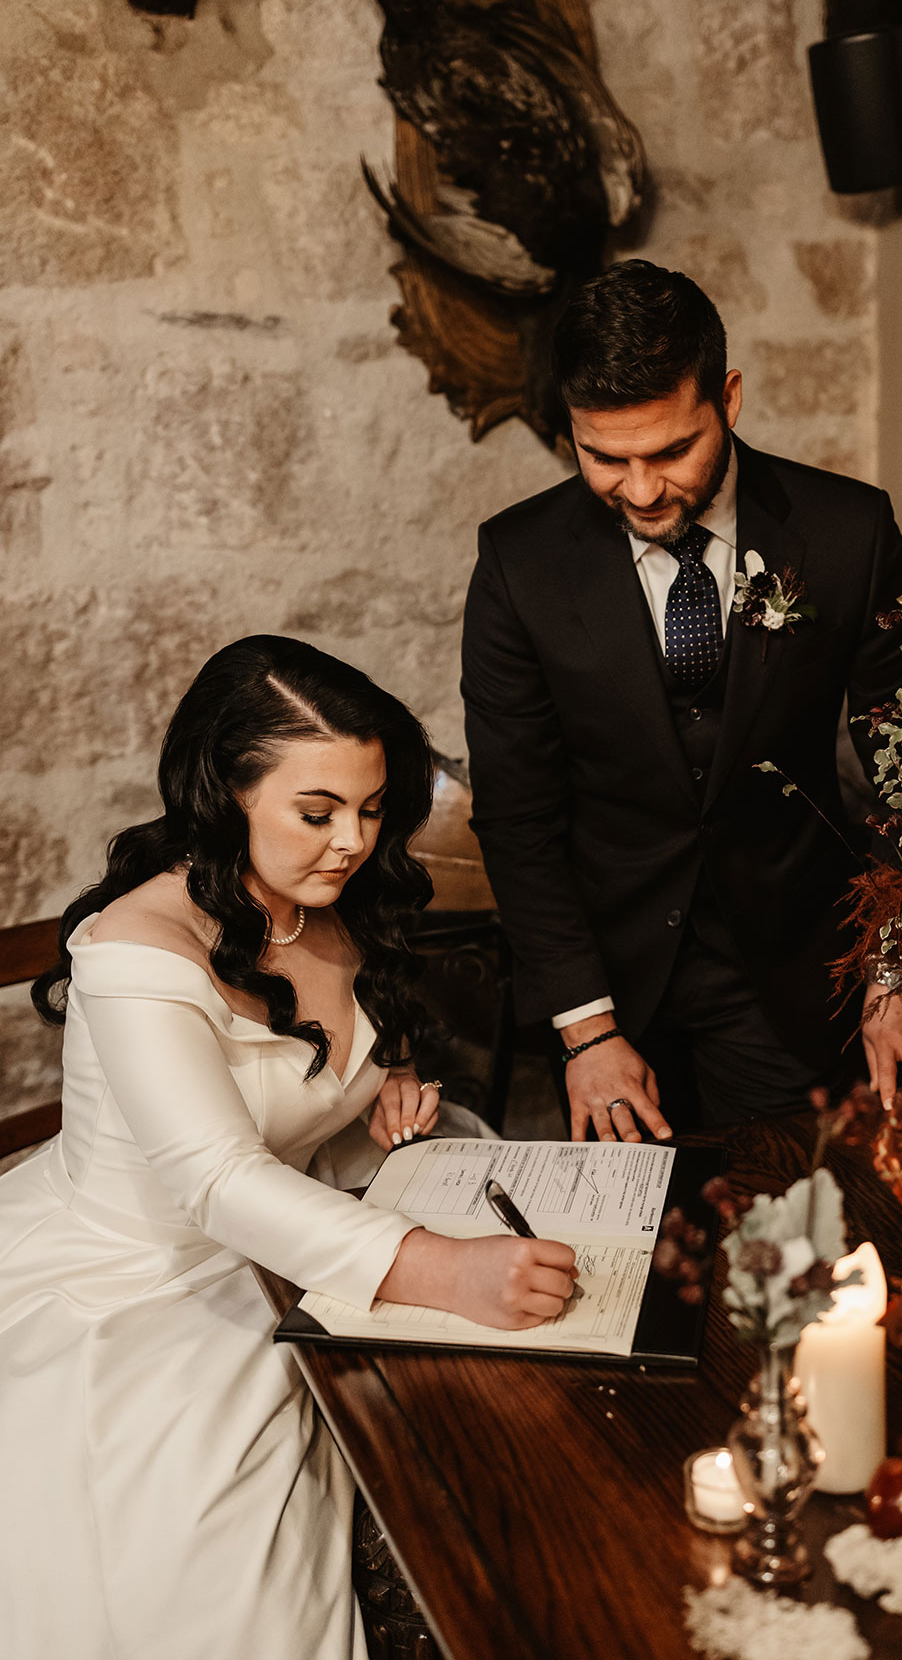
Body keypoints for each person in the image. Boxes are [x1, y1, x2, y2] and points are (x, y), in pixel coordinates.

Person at [0, 635, 576, 1660]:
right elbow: (219, 1178)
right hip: (143, 1285)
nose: (352, 843)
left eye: (370, 808)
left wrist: (370, 1100)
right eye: (317, 814)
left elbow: (287, 1104)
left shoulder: (329, 909)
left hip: (295, 1237)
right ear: (225, 795)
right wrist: (445, 1272)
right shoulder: (137, 952)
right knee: (211, 1560)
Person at [461, 261, 902, 1143]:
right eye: (605, 457)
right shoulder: (519, 565)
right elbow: (518, 817)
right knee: (627, 1254)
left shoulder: (846, 534)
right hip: (604, 977)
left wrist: (896, 967)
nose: (640, 490)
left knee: (789, 1236)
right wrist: (586, 1028)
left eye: (672, 451)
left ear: (730, 400)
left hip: (789, 968)